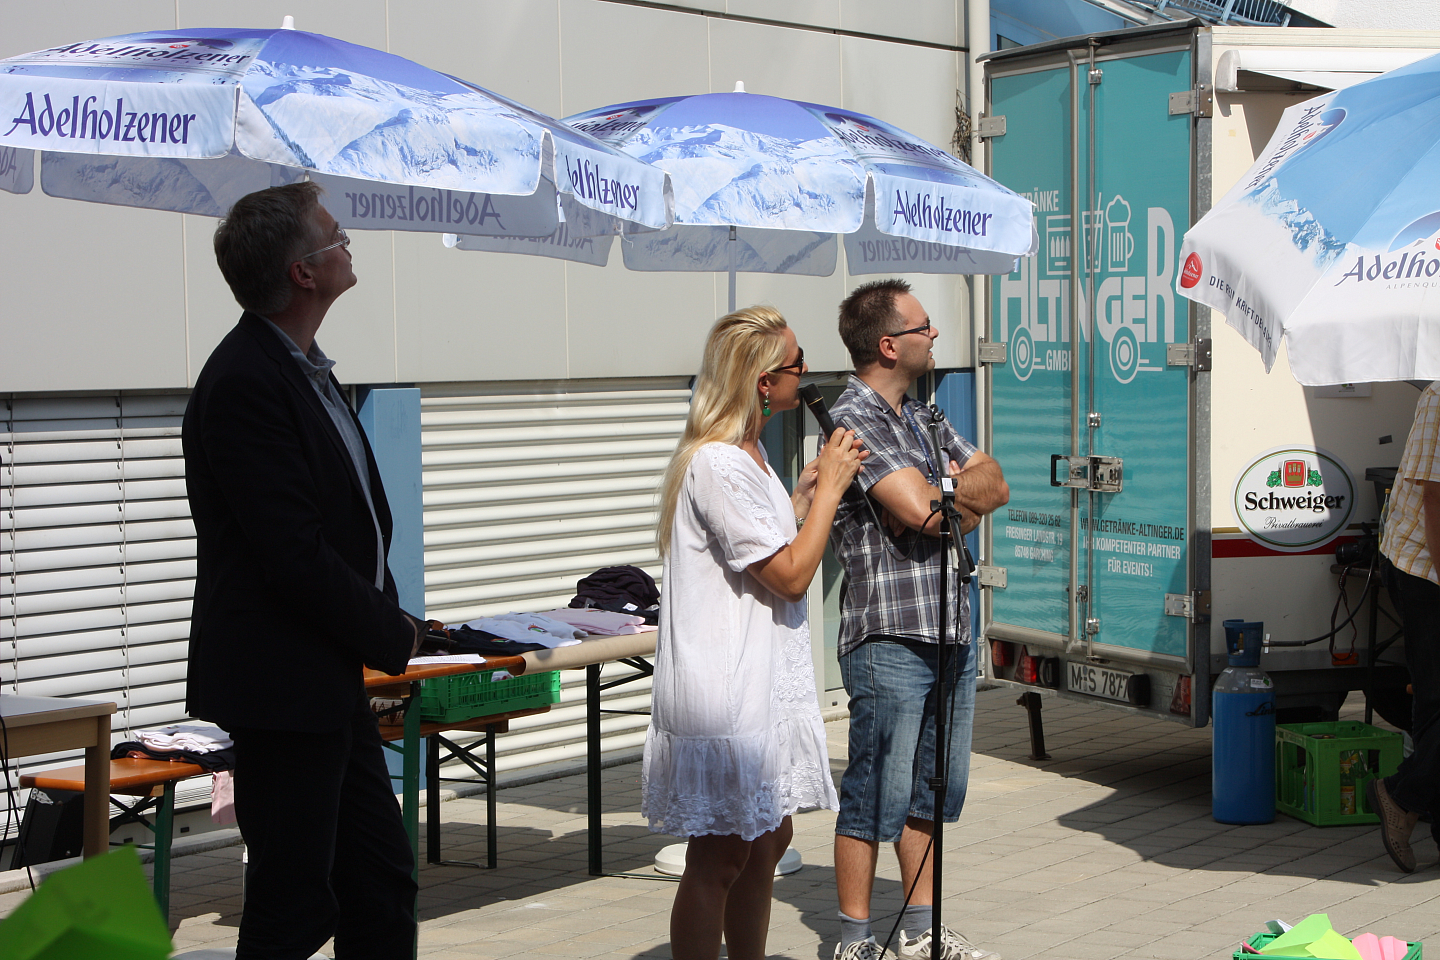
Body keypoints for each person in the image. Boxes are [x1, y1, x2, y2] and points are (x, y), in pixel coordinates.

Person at [184, 182, 425, 959]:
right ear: (303, 272)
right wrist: (389, 629)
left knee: (379, 886)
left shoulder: (303, 370)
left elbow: (347, 522)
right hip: (281, 687)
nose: (348, 241)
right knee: (293, 902)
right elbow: (291, 552)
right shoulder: (246, 381)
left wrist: (386, 619)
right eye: (335, 234)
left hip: (324, 683)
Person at [645, 306, 865, 960]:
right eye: (797, 363)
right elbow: (791, 576)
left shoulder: (753, 454)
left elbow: (761, 547)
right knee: (720, 854)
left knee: (768, 839)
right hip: (725, 691)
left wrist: (800, 500)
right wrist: (831, 492)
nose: (808, 372)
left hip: (759, 679)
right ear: (764, 382)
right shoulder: (717, 462)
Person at [828, 279, 1009, 960]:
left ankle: (921, 930)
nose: (935, 335)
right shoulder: (854, 418)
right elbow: (922, 513)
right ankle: (854, 939)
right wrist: (946, 500)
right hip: (890, 636)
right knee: (875, 790)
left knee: (934, 789)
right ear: (887, 344)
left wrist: (946, 496)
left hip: (949, 628)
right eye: (923, 326)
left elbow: (995, 482)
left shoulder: (923, 416)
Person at [1369, 380, 1440, 873]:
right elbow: (1434, 499)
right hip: (1424, 569)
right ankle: (1400, 794)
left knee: (1436, 706)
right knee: (1437, 701)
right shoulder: (1438, 398)